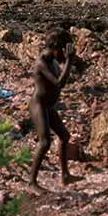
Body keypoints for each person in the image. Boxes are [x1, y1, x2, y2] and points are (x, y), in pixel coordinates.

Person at [28, 28, 78, 192]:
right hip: (39, 105)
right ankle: (32, 183)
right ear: (56, 48)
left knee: (64, 136)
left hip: (48, 106)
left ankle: (65, 176)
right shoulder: (42, 62)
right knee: (45, 142)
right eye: (63, 51)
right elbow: (59, 83)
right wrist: (69, 61)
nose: (64, 56)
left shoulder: (53, 60)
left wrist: (70, 61)